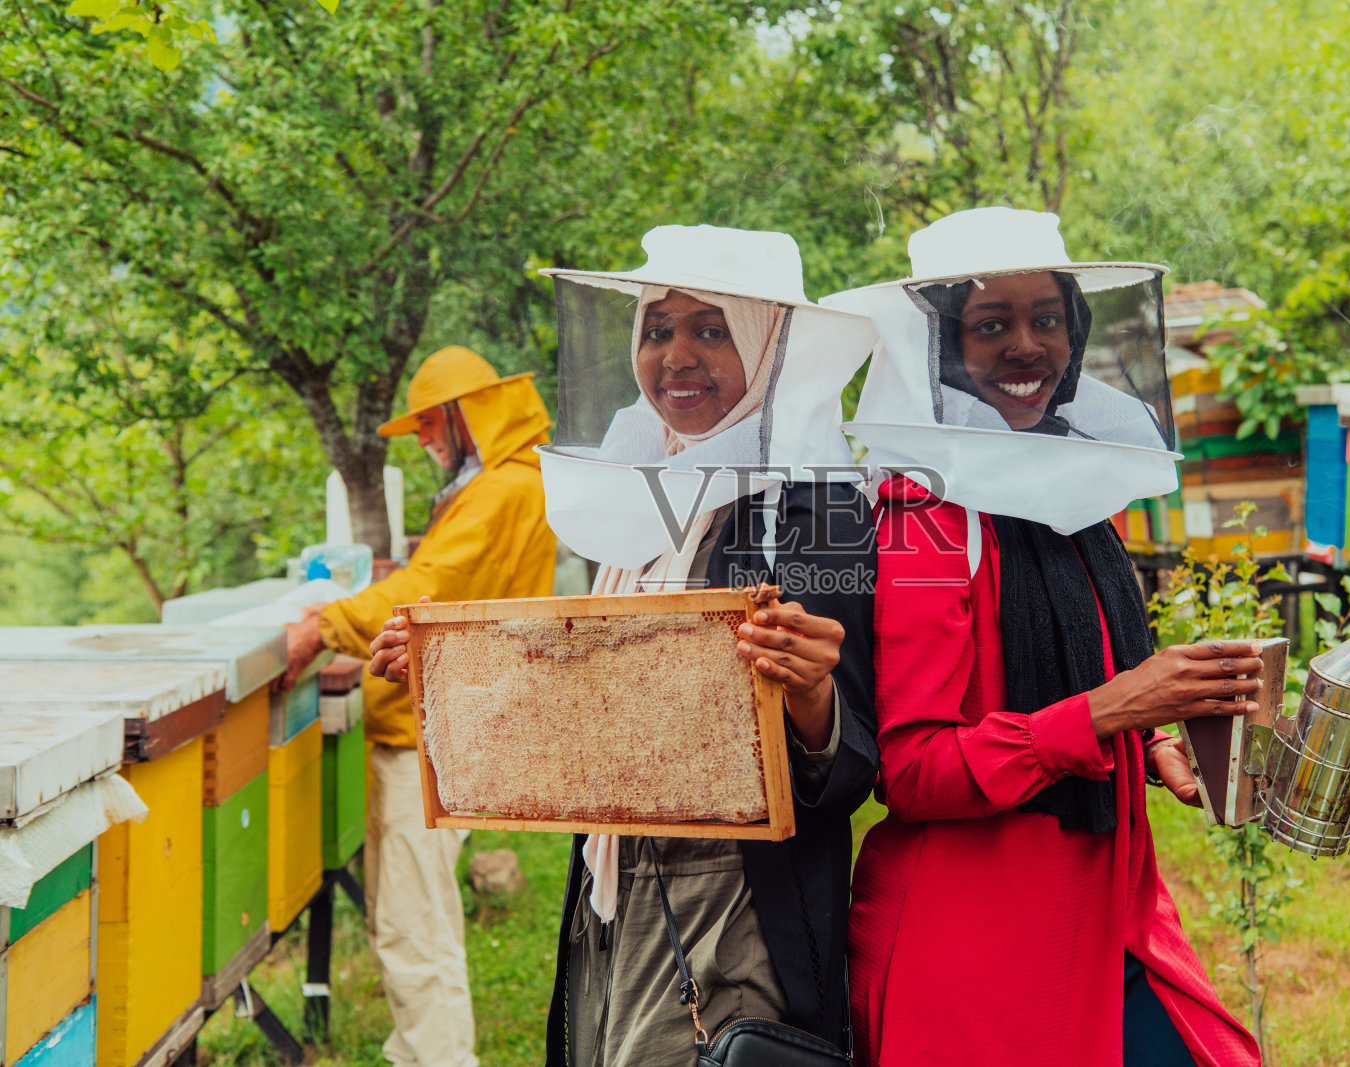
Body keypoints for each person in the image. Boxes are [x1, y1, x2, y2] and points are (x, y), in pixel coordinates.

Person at [370, 226, 881, 1067]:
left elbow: (853, 767)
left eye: (711, 330)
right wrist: (449, 675)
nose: (676, 355)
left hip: (733, 905)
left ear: (767, 346)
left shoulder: (814, 512)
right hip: (608, 886)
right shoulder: (632, 503)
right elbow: (601, 703)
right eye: (657, 329)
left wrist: (812, 695)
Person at [823, 207, 1264, 1066]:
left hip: (1109, 907)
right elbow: (911, 771)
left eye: (1048, 319)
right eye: (990, 325)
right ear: (940, 349)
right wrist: (1109, 711)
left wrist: (1156, 736)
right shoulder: (923, 516)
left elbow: (1087, 672)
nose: (1027, 347)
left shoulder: (1074, 483)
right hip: (976, 951)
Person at [282, 344, 558, 1067]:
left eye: (432, 426)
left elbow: (428, 587)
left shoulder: (501, 489)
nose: (428, 442)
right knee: (416, 920)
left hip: (438, 734)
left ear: (466, 418)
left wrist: (318, 629)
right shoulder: (501, 484)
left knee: (415, 929)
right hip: (449, 724)